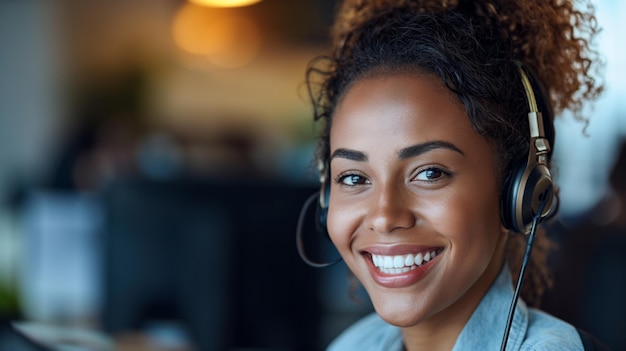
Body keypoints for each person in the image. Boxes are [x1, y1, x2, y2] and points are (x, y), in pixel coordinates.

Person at [301, 0, 605, 350]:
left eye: (430, 173)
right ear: (326, 196)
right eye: (354, 178)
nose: (384, 217)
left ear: (519, 191)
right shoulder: (354, 345)